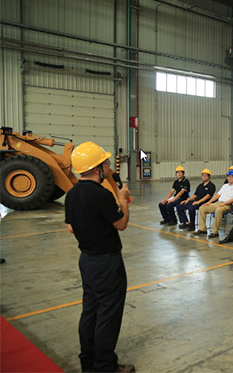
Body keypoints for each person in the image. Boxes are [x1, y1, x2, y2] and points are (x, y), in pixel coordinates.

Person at [65, 141, 134, 373]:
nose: (107, 167)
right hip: (107, 263)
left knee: (90, 311)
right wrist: (123, 200)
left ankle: (88, 363)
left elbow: (71, 228)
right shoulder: (101, 195)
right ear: (96, 169)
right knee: (108, 316)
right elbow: (121, 224)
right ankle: (105, 366)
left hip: (86, 260)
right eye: (104, 163)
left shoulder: (72, 195)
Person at [195, 169, 233, 238]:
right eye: (228, 177)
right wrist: (209, 202)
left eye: (231, 177)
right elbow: (217, 195)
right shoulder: (225, 186)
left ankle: (215, 231)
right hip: (219, 203)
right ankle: (202, 229)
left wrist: (224, 203)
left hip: (229, 205)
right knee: (202, 208)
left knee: (219, 210)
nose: (229, 178)